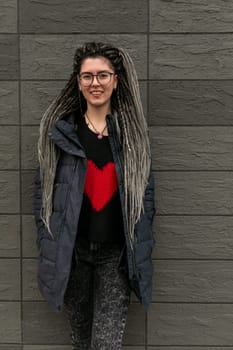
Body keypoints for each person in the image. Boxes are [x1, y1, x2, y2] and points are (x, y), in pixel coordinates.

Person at [34, 41, 155, 350]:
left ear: (116, 80)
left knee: (106, 345)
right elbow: (43, 197)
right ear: (78, 82)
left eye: (103, 75)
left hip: (114, 259)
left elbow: (146, 198)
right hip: (73, 257)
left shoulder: (131, 138)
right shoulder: (61, 135)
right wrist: (49, 241)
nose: (95, 83)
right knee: (80, 341)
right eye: (87, 76)